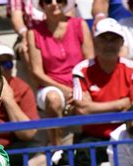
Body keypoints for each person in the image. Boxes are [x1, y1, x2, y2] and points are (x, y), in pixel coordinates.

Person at [69, 18, 133, 166]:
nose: (109, 44)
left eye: (114, 39)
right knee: (84, 155)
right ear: (96, 42)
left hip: (125, 132)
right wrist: (121, 104)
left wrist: (93, 107)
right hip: (93, 134)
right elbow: (80, 109)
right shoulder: (82, 69)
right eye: (105, 39)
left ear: (121, 44)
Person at [28, 0, 93, 147]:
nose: (54, 3)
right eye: (48, 1)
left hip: (80, 82)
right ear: (42, 5)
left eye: (60, 0)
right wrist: (65, 90)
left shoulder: (79, 24)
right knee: (53, 98)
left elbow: (89, 62)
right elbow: (36, 72)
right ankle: (57, 147)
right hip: (50, 84)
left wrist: (79, 88)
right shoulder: (34, 33)